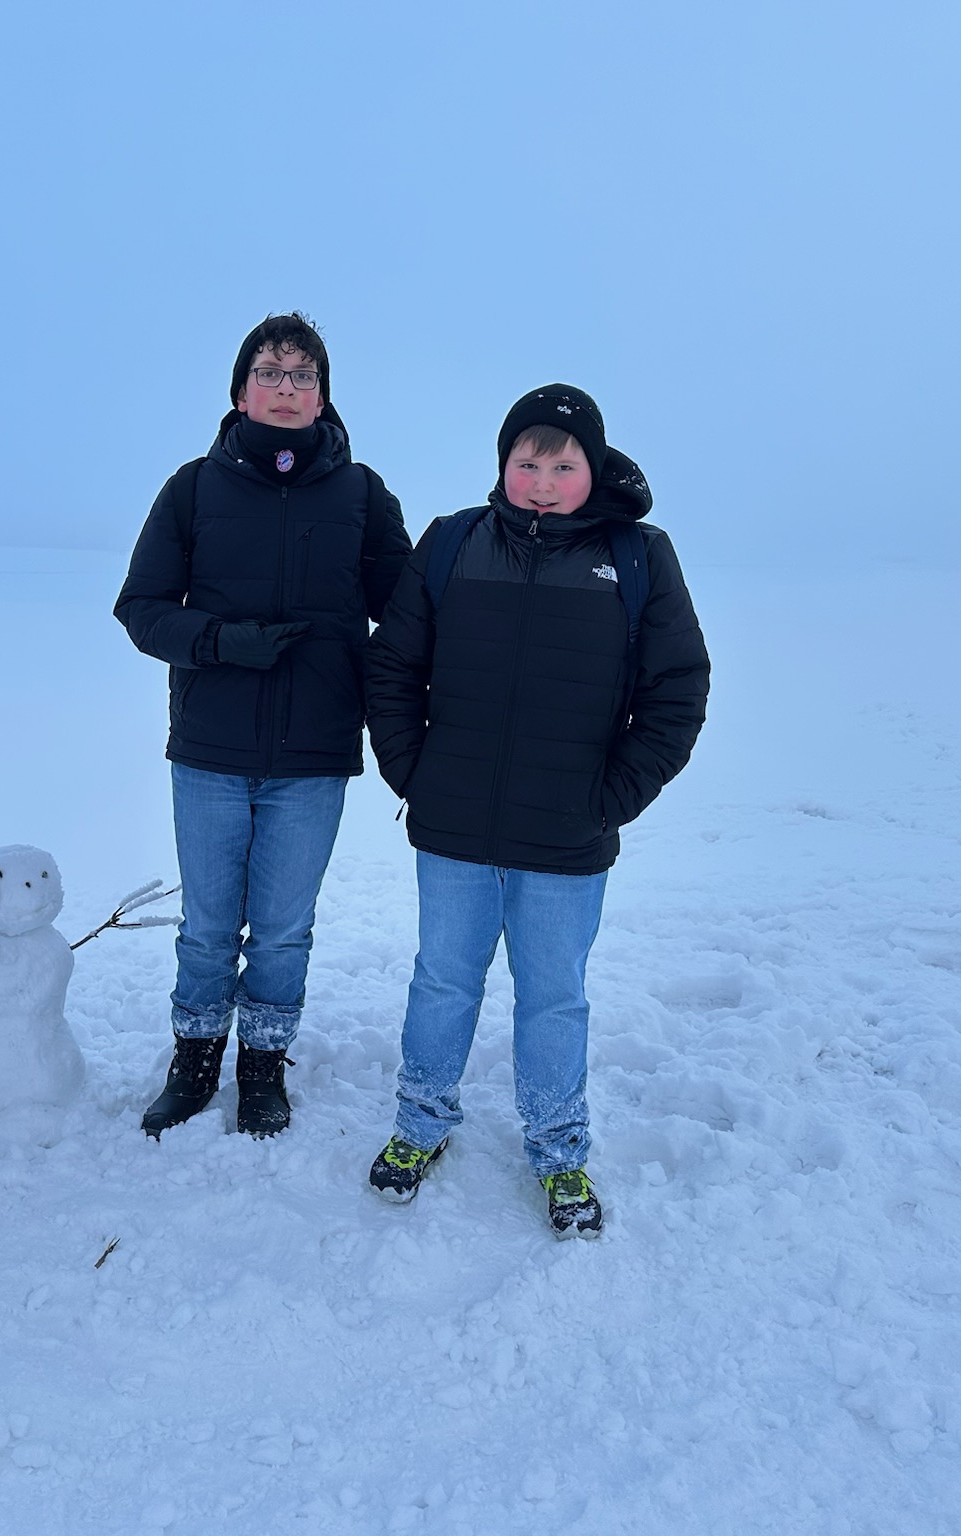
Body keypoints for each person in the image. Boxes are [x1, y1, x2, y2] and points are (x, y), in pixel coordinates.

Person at [362, 384, 709, 1236]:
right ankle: (420, 1122)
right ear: (503, 465)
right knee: (442, 981)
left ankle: (558, 1148)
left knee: (553, 996)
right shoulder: (453, 543)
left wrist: (612, 798)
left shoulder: (637, 557)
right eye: (527, 464)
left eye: (563, 466)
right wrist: (413, 772)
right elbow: (393, 665)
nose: (543, 483)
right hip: (454, 828)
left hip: (566, 836)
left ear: (594, 469)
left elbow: (677, 691)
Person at [115, 314, 412, 1138]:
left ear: (322, 395)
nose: (287, 388)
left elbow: (409, 609)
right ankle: (194, 1061)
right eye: (270, 373)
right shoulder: (193, 489)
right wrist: (218, 641)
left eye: (303, 375)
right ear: (241, 391)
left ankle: (262, 1067)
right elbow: (140, 608)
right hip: (210, 751)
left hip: (313, 755)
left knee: (283, 932)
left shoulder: (361, 495)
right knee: (208, 928)